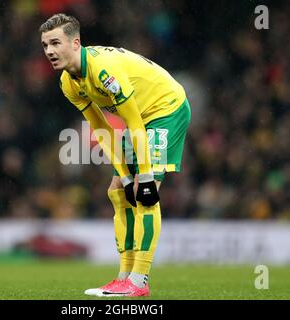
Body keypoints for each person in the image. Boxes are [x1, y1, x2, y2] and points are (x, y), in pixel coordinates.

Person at [40, 13, 191, 297]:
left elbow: (133, 121)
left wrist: (144, 176)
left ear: (75, 43)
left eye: (55, 43)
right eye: (45, 45)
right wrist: (122, 174)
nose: (49, 51)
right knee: (119, 192)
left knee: (145, 193)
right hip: (140, 119)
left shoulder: (102, 70)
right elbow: (101, 127)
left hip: (164, 109)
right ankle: (123, 277)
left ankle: (139, 281)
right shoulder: (69, 83)